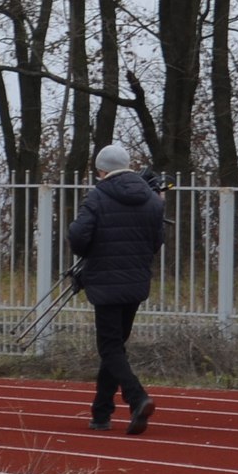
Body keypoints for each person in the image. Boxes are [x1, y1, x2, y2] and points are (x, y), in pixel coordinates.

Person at [68, 143, 170, 433]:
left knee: (110, 346)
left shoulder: (98, 196)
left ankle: (137, 397)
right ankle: (101, 413)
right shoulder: (153, 200)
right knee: (115, 348)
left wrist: (90, 252)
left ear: (102, 170)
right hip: (135, 282)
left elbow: (78, 235)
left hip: (105, 281)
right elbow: (156, 241)